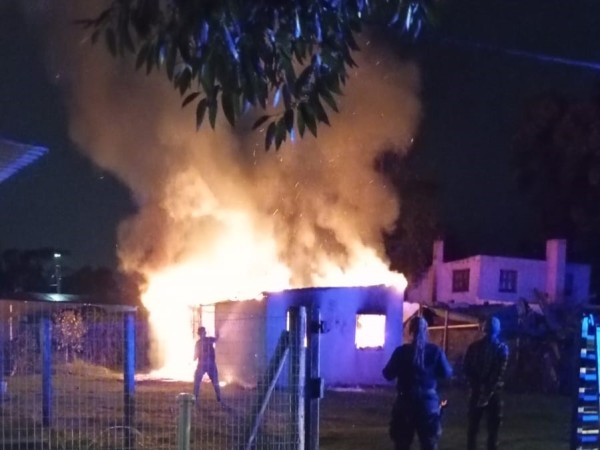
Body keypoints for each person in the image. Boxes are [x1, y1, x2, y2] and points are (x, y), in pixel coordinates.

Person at [383, 315, 453, 450]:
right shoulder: (435, 351)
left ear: (410, 331)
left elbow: (387, 374)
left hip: (405, 404)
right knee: (429, 445)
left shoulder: (401, 351)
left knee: (402, 445)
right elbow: (447, 373)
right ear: (426, 330)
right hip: (429, 406)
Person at [464, 316, 510, 450]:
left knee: (473, 430)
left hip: (478, 391)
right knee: (492, 431)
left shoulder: (474, 347)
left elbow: (467, 368)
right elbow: (499, 373)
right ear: (498, 330)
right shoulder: (502, 348)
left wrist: (476, 386)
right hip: (493, 393)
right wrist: (487, 391)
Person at [193, 326, 221, 404]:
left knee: (197, 382)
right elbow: (217, 339)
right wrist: (218, 332)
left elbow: (195, 356)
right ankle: (219, 398)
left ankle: (195, 398)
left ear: (198, 334)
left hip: (202, 364)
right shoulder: (209, 340)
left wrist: (194, 358)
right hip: (211, 364)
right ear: (204, 333)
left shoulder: (198, 343)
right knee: (215, 382)